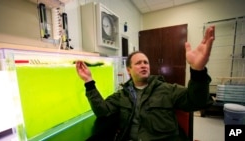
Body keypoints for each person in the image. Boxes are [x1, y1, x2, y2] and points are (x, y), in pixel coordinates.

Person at [76, 26, 215, 141]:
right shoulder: (122, 95)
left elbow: (198, 101)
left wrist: (198, 71)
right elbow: (102, 111)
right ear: (128, 70)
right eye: (138, 63)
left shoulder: (167, 89)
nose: (144, 65)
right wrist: (89, 81)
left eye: (146, 62)